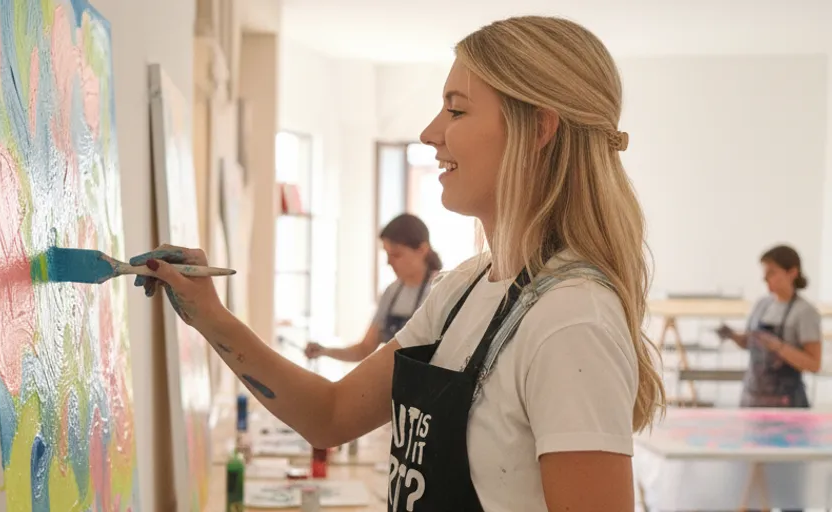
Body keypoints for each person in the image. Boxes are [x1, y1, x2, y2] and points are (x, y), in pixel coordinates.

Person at [133, 15, 664, 511]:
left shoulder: (571, 321)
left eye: (456, 109)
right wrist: (208, 314)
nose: (432, 133)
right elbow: (331, 416)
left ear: (540, 129)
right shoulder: (464, 288)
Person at [305, 213, 442, 362]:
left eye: (396, 254)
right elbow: (364, 349)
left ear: (422, 250)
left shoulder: (440, 290)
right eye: (387, 254)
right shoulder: (391, 292)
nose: (389, 262)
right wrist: (324, 351)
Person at [717, 245, 823, 409]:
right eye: (764, 273)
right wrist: (733, 336)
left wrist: (778, 346)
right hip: (752, 397)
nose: (765, 278)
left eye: (771, 272)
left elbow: (813, 365)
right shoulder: (762, 305)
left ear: (792, 273)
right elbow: (749, 343)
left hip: (787, 402)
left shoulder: (805, 312)